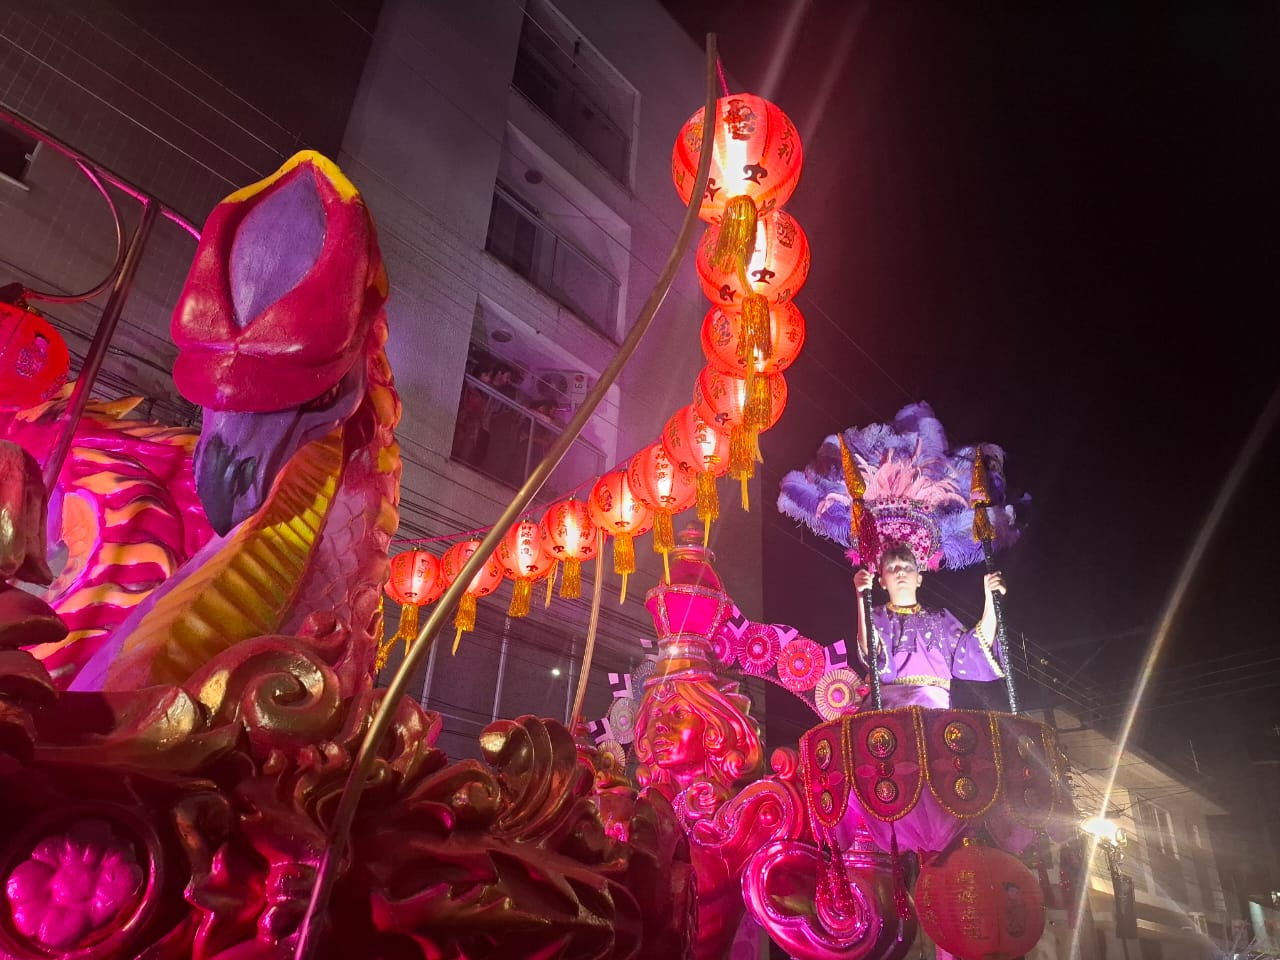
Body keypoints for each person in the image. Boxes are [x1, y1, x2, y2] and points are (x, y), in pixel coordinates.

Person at [853, 541, 1006, 709]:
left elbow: (974, 649)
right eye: (891, 568)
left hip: (935, 709)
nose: (900, 572)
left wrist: (991, 600)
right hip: (891, 708)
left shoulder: (939, 618)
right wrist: (861, 596)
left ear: (919, 579)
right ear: (881, 581)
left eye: (907, 567)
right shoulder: (878, 617)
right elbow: (871, 653)